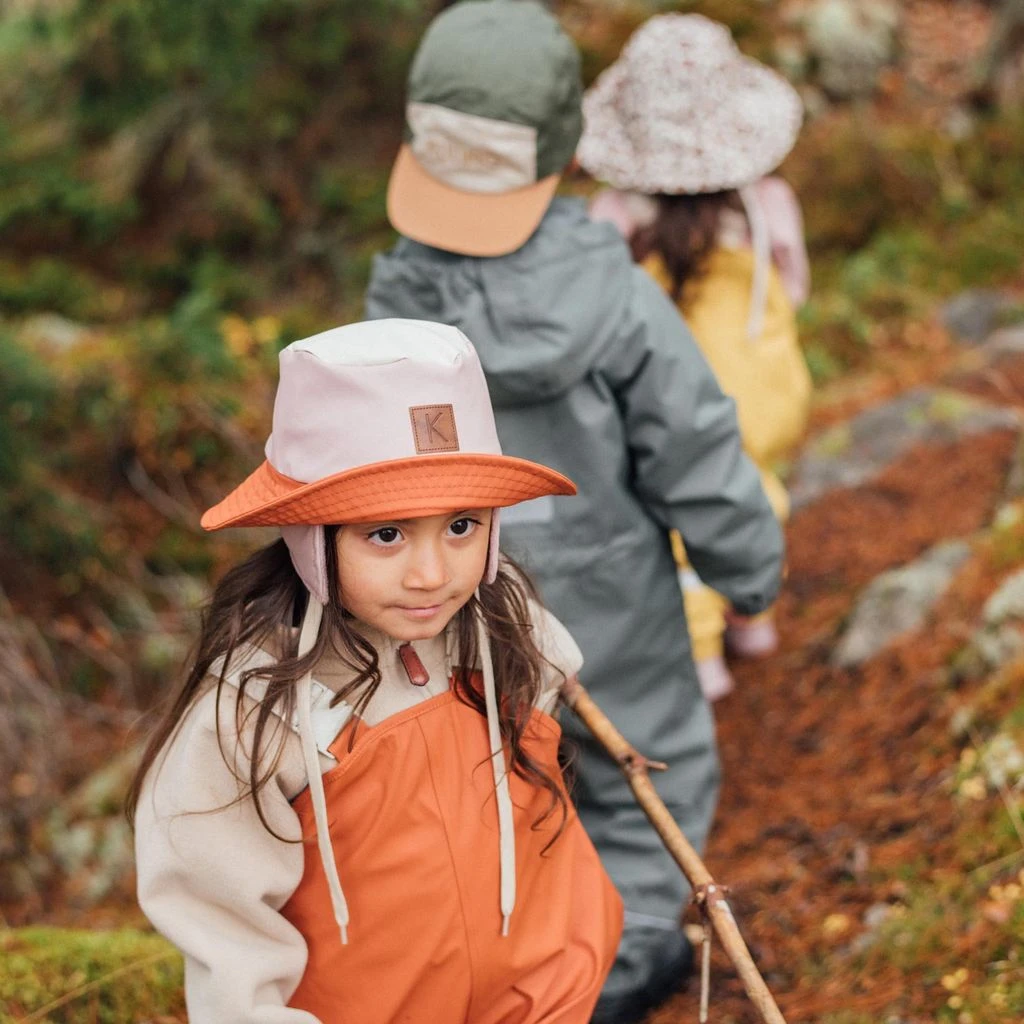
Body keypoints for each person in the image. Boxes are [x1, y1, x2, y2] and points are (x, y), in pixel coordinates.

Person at [363, 3, 785, 1020]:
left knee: (490, 777)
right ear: (562, 145)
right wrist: (747, 571)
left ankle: (506, 952)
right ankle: (633, 947)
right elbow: (693, 444)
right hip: (613, 597)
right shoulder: (619, 297)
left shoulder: (391, 305)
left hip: (452, 596)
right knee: (646, 763)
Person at [127, 318, 623, 1024]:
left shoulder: (506, 632)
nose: (431, 574)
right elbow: (220, 924)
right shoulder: (256, 707)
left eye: (461, 526)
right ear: (311, 537)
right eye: (385, 534)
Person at [579, 13, 813, 702]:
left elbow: (594, 308)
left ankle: (702, 653)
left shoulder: (617, 213)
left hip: (666, 400)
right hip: (761, 388)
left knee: (676, 508)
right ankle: (754, 612)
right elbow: (792, 288)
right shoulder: (769, 201)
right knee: (752, 485)